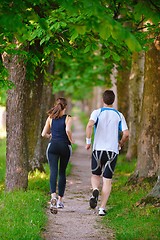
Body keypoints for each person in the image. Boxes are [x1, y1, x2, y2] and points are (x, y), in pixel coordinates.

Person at [86, 90, 129, 216]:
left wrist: (88, 141)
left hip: (98, 149)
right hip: (112, 151)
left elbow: (89, 125)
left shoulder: (97, 112)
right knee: (107, 180)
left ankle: (95, 190)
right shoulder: (119, 115)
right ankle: (102, 209)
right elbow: (126, 134)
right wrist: (120, 143)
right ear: (113, 101)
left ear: (103, 100)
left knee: (95, 175)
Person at [41, 97, 74, 214]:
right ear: (65, 107)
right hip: (65, 147)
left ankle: (53, 197)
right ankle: (60, 201)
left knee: (53, 171)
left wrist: (50, 136)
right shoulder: (68, 118)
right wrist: (71, 140)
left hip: (53, 147)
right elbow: (68, 131)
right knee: (62, 172)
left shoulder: (50, 118)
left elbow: (43, 133)